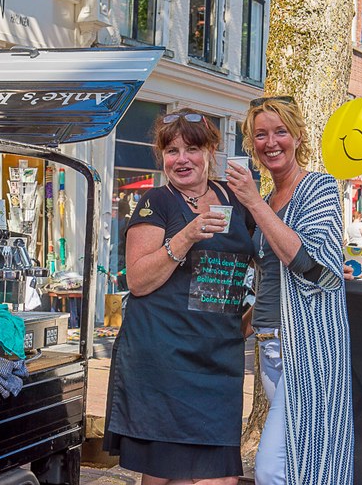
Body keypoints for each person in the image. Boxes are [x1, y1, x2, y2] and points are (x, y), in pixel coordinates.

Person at [103, 109, 255, 484]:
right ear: (162, 157)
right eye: (172, 151)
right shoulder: (156, 202)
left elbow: (268, 260)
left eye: (192, 149)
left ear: (211, 151)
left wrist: (248, 322)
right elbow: (138, 281)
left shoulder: (237, 200)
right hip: (163, 359)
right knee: (166, 474)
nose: (182, 159)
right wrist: (186, 236)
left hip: (217, 361)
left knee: (222, 477)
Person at [226, 96, 354, 484]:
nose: (271, 142)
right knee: (300, 462)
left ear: (298, 136)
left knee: (271, 468)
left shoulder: (318, 187)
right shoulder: (267, 200)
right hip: (269, 347)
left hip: (307, 346)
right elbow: (269, 280)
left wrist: (252, 202)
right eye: (260, 134)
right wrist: (239, 329)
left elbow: (307, 261)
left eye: (280, 131)